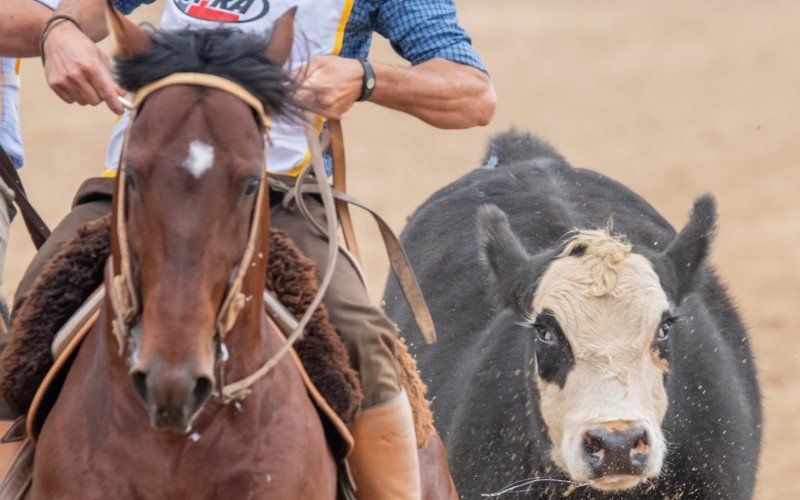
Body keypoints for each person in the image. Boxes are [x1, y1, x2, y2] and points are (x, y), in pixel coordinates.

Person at [14, 0, 496, 496]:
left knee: (361, 337)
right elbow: (79, 13)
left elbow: (473, 94)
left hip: (281, 194)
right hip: (145, 185)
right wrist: (58, 31)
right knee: (27, 316)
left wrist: (367, 78)